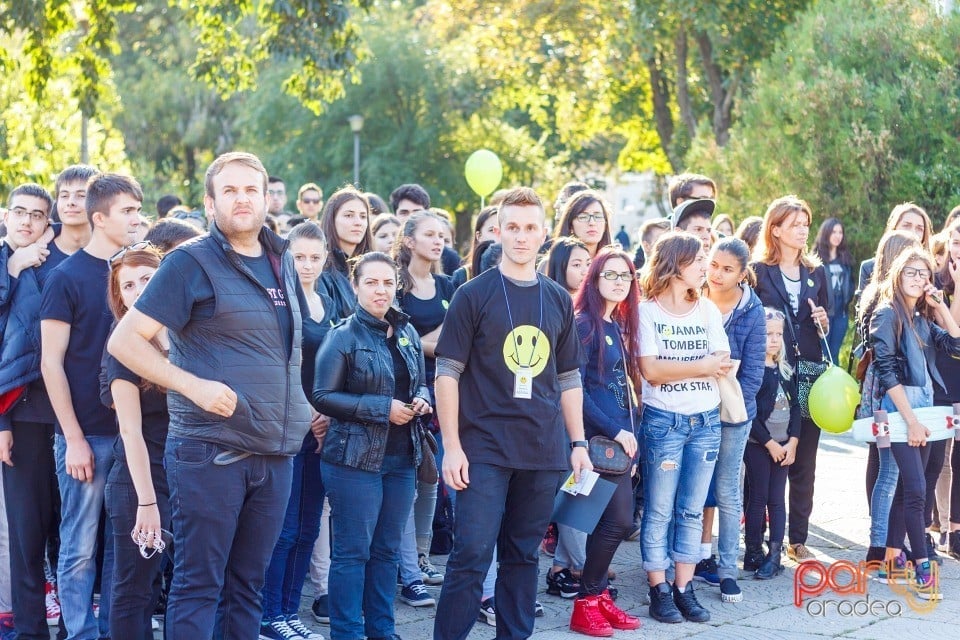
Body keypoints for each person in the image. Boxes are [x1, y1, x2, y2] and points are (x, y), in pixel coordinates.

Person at [107, 151, 312, 639]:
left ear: (266, 199)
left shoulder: (282, 259)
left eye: (250, 190)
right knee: (199, 587)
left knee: (247, 589)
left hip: (275, 454)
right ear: (210, 202)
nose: (242, 199)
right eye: (230, 190)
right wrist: (191, 385)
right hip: (209, 452)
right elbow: (124, 341)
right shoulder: (188, 261)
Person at [433, 187, 591, 640]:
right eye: (512, 227)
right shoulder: (472, 294)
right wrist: (452, 446)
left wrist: (578, 443)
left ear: (544, 234)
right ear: (498, 231)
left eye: (530, 228)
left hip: (543, 449)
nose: (521, 237)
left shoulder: (559, 299)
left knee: (523, 556)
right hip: (482, 447)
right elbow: (447, 372)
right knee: (471, 554)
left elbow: (568, 379)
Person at [42, 173, 143, 640]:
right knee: (80, 546)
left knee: (122, 546)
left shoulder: (138, 274)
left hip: (134, 435)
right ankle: (79, 632)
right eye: (127, 211)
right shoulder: (66, 277)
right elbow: (50, 364)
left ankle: (114, 630)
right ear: (99, 217)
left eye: (137, 211)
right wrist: (75, 439)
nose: (136, 219)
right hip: (85, 435)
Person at [312, 251, 431, 640]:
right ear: (355, 286)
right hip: (353, 461)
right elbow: (322, 396)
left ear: (396, 285)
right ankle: (347, 633)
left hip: (402, 458)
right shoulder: (342, 335)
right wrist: (383, 409)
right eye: (371, 282)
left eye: (387, 282)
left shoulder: (409, 332)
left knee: (387, 553)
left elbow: (419, 380)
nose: (381, 290)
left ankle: (383, 631)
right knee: (353, 553)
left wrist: (422, 397)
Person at [638, 231, 730, 624]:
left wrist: (703, 366)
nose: (704, 266)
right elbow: (651, 370)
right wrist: (701, 366)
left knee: (692, 510)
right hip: (664, 422)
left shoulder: (707, 309)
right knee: (659, 510)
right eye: (697, 260)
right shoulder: (647, 311)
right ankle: (658, 588)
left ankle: (683, 588)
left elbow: (722, 358)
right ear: (675, 265)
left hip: (706, 421)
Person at [0, 180, 73, 640]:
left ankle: (72, 624)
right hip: (19, 414)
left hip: (66, 413)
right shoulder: (8, 261)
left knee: (67, 533)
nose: (26, 221)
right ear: (6, 214)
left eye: (36, 215)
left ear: (48, 224)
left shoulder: (57, 263)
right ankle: (29, 631)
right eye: (19, 212)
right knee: (26, 534)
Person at [870, 247, 960, 600]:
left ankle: (892, 560)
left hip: (923, 412)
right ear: (896, 274)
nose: (918, 279)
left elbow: (956, 344)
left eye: (924, 273)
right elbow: (887, 371)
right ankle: (922, 567)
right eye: (911, 272)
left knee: (910, 490)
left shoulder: (922, 320)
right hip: (899, 412)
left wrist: (939, 308)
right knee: (917, 490)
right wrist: (910, 422)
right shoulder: (885, 315)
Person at [260, 221, 333, 640]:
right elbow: (280, 364)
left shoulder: (326, 300)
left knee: (309, 526)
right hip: (289, 424)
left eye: (314, 257)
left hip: (323, 428)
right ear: (286, 258)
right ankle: (270, 614)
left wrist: (327, 416)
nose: (306, 265)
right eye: (298, 257)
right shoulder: (280, 302)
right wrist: (308, 412)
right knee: (285, 528)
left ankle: (289, 612)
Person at [567, 248, 643, 637]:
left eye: (625, 276)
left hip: (620, 444)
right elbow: (577, 389)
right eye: (610, 275)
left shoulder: (614, 324)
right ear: (594, 280)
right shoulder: (584, 324)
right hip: (599, 442)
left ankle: (596, 598)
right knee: (616, 521)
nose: (618, 282)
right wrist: (616, 431)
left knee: (612, 522)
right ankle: (585, 603)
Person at [750, 195, 829, 563]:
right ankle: (760, 537)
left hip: (809, 372)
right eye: (795, 224)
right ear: (776, 229)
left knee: (805, 458)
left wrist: (823, 322)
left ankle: (797, 537)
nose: (802, 230)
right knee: (765, 455)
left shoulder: (817, 272)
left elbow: (821, 318)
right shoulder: (759, 271)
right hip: (771, 374)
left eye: (806, 224)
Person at [100, 243, 169, 640]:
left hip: (182, 472)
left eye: (147, 279)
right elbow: (130, 432)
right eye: (128, 286)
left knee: (161, 587)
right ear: (119, 297)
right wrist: (148, 502)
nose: (138, 291)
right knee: (133, 591)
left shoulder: (186, 336)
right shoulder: (123, 349)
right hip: (139, 483)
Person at [699, 237, 766, 602]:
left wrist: (730, 403)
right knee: (689, 490)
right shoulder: (693, 297)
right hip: (691, 405)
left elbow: (754, 374)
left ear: (742, 274)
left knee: (727, 490)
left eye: (727, 269)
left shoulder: (752, 311)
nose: (718, 274)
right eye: (713, 265)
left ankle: (727, 569)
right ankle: (685, 561)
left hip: (733, 412)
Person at [392, 212, 454, 606]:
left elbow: (462, 337)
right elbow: (398, 337)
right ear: (409, 240)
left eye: (442, 235)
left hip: (445, 393)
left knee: (432, 482)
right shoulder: (395, 285)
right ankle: (407, 574)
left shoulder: (450, 284)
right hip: (406, 392)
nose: (437, 241)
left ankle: (420, 557)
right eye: (429, 234)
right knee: (406, 486)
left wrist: (426, 338)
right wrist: (432, 339)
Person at [855, 230, 922, 558]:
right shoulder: (886, 304)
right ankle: (879, 549)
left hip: (891, 393)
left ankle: (888, 547)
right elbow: (886, 363)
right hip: (888, 394)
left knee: (890, 473)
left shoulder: (896, 300)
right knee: (889, 473)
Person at [540, 235, 593, 598]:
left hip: (584, 416)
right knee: (569, 492)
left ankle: (566, 567)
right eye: (576, 264)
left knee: (581, 493)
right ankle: (578, 566)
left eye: (588, 264)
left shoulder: (592, 308)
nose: (584, 271)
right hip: (553, 417)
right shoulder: (552, 305)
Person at [744, 309, 799, 580]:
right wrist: (769, 444)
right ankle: (753, 550)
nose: (774, 339)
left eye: (778, 334)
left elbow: (798, 408)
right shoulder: (753, 371)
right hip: (758, 445)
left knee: (777, 499)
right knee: (757, 498)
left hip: (784, 447)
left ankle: (775, 553)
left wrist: (793, 443)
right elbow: (749, 413)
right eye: (768, 334)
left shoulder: (787, 370)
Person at [934, 219, 960, 560]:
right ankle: (943, 527)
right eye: (956, 240)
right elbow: (953, 337)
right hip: (945, 374)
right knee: (944, 456)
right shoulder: (938, 281)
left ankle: (956, 526)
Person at [318, 186, 372, 320]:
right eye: (349, 215)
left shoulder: (372, 266)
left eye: (363, 216)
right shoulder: (321, 270)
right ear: (332, 220)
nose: (358, 222)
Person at [857, 203, 931, 294]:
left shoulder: (927, 271)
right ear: (894, 228)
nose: (912, 232)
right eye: (907, 226)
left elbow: (933, 303)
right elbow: (863, 305)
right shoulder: (869, 268)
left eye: (919, 229)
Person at [813, 217, 854, 363]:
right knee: (823, 352)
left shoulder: (845, 258)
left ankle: (834, 384)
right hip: (824, 312)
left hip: (841, 313)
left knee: (834, 353)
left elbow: (850, 284)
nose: (838, 236)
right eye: (834, 232)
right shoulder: (816, 258)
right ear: (826, 234)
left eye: (840, 232)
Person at [553, 190, 613, 257]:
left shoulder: (615, 264)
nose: (592, 223)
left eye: (598, 217)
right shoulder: (552, 263)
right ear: (571, 225)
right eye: (583, 217)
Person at [451, 206, 499, 288]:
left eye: (504, 229)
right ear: (478, 236)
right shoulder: (464, 276)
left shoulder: (520, 274)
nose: (498, 235)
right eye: (492, 230)